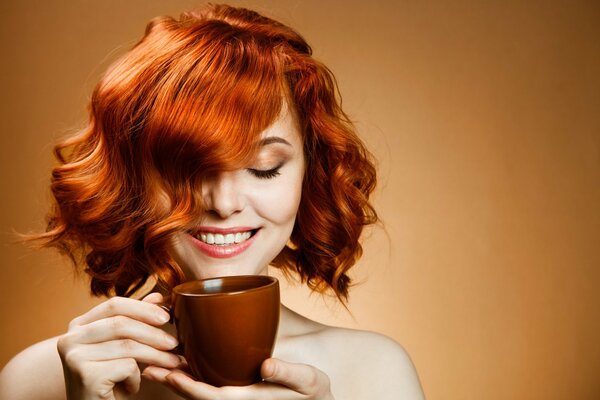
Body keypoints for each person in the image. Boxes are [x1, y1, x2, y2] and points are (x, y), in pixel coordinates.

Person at [0, 4, 424, 399]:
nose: (223, 203)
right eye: (188, 169)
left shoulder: (376, 372)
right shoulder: (34, 381)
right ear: (129, 181)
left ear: (308, 177)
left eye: (263, 167)